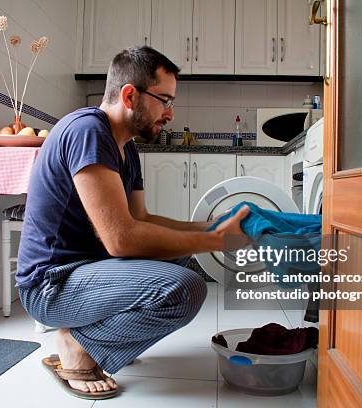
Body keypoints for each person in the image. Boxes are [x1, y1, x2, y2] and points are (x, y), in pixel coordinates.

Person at [16, 46, 250, 399]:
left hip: (86, 271)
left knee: (174, 254)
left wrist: (215, 226)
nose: (170, 113)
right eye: (165, 100)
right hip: (51, 284)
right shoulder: (88, 131)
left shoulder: (127, 146)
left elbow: (141, 220)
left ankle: (92, 337)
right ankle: (77, 346)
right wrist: (217, 241)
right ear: (129, 95)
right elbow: (121, 240)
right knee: (186, 288)